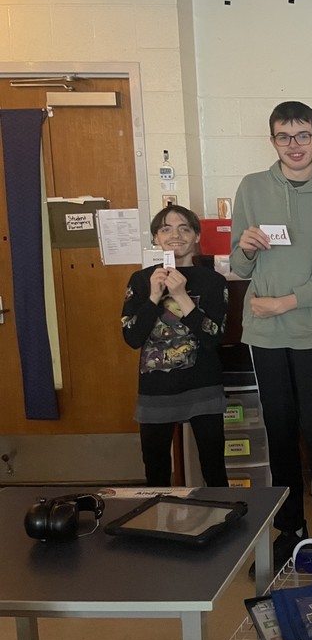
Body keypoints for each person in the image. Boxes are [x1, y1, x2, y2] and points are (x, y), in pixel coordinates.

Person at [230, 101, 312, 567]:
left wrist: (288, 301)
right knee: (280, 438)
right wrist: (246, 249)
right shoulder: (251, 188)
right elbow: (239, 266)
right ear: (273, 142)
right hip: (265, 336)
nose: (294, 145)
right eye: (284, 136)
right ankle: (290, 531)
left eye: (302, 135)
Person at [121, 205, 229, 487]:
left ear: (196, 236)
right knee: (156, 471)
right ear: (156, 238)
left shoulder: (213, 281)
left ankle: (225, 513)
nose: (175, 235)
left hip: (203, 387)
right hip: (156, 390)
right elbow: (132, 337)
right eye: (166, 229)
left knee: (214, 469)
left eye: (184, 228)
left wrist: (181, 296)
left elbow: (213, 338)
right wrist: (154, 297)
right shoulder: (141, 280)